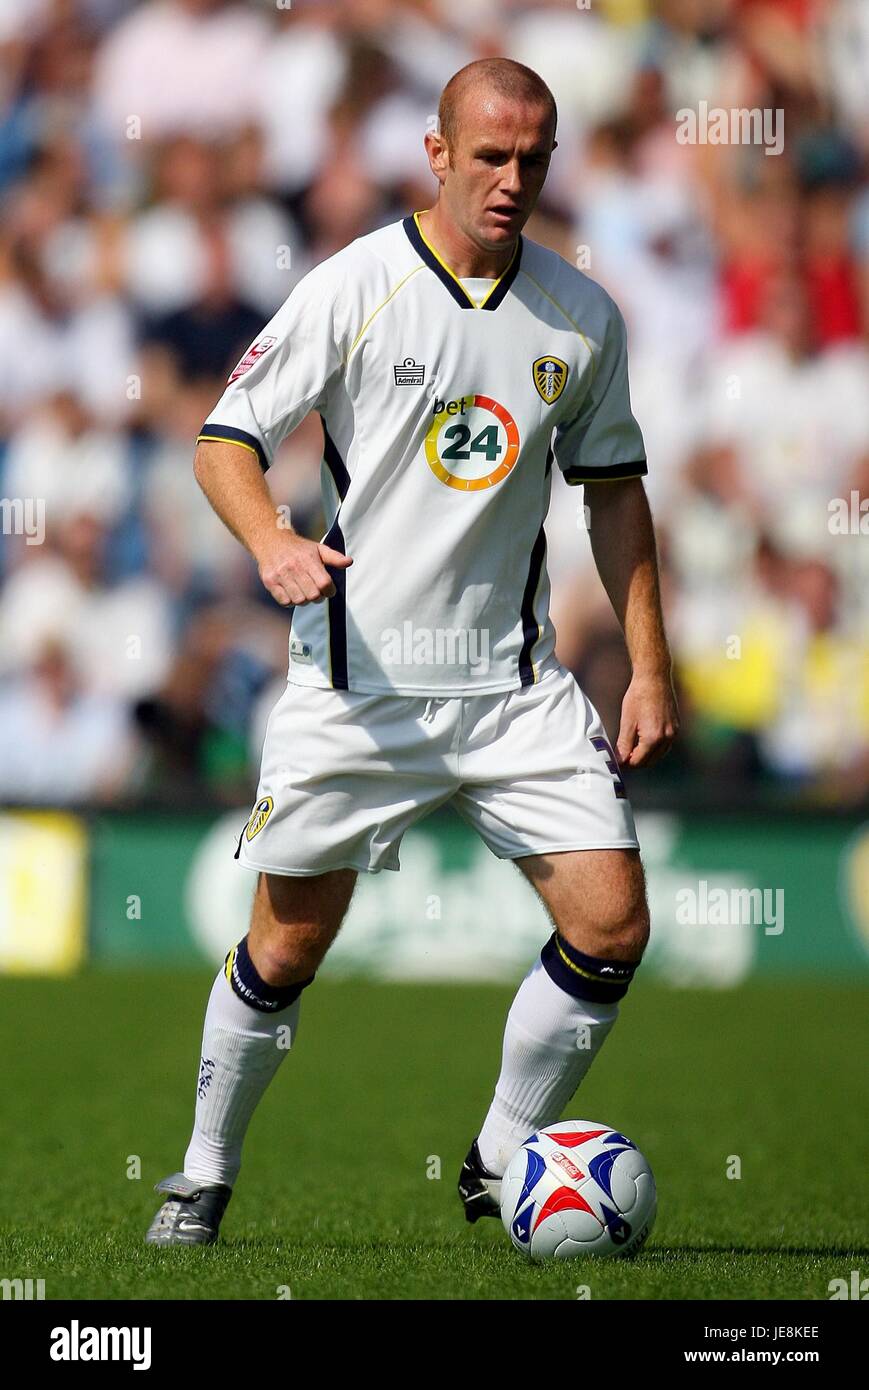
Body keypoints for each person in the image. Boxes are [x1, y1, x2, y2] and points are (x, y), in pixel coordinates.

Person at [145, 57, 678, 1246]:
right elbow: (224, 439)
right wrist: (271, 540)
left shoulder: (581, 317)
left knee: (612, 925)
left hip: (510, 687)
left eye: (533, 159)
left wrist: (646, 661)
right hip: (359, 687)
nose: (511, 179)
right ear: (436, 154)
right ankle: (200, 1174)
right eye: (488, 155)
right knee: (285, 947)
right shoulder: (355, 286)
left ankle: (498, 1157)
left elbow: (614, 495)